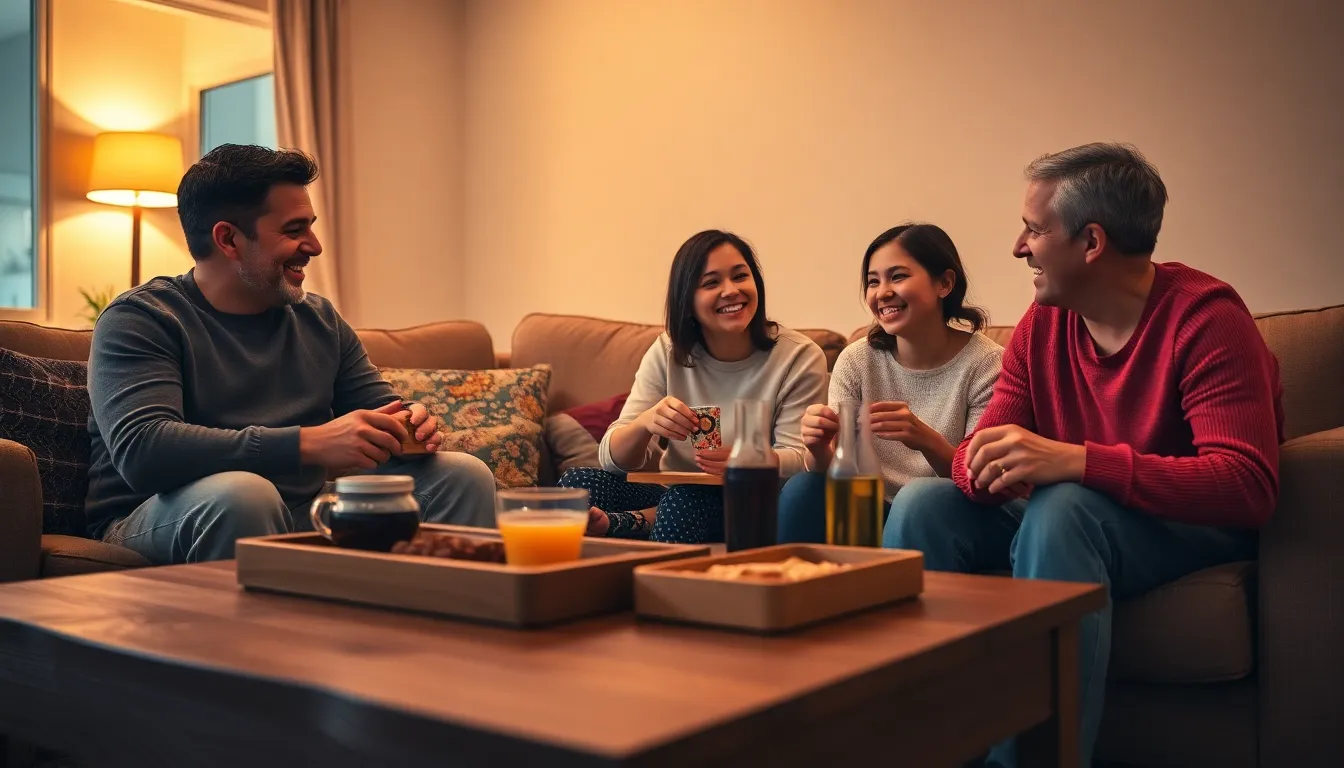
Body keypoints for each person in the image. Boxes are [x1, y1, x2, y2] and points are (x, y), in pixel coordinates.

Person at [884, 143, 1283, 768]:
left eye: (1034, 230)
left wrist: (1078, 461)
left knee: (1065, 506)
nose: (1019, 247)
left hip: (1182, 527)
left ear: (1091, 242)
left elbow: (1246, 485)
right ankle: (921, 745)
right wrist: (986, 466)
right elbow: (973, 457)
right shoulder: (1040, 328)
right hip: (1073, 514)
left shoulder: (1207, 320)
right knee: (922, 503)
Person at [84, 144, 497, 564]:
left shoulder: (318, 319)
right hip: (157, 516)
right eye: (294, 229)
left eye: (311, 227)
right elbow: (144, 450)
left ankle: (449, 623)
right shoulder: (141, 318)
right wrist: (308, 444)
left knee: (460, 475)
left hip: (298, 512)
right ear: (228, 238)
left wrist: (409, 422)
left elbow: (378, 407)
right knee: (244, 494)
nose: (315, 246)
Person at [558, 229, 828, 543]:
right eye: (711, 282)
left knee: (682, 503)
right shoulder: (668, 351)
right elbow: (612, 459)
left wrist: (751, 459)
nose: (731, 291)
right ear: (686, 300)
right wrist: (647, 423)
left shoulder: (798, 356)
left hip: (753, 498)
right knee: (577, 485)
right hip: (673, 491)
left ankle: (642, 548)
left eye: (740, 276)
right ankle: (602, 552)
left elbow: (802, 459)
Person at [776, 223, 1003, 542]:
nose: (882, 293)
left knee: (919, 498)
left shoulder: (987, 364)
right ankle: (786, 588)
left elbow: (983, 478)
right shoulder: (857, 360)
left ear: (945, 283)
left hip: (951, 510)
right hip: (872, 507)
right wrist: (816, 447)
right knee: (804, 487)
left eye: (898, 276)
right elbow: (839, 469)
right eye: (873, 282)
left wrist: (925, 439)